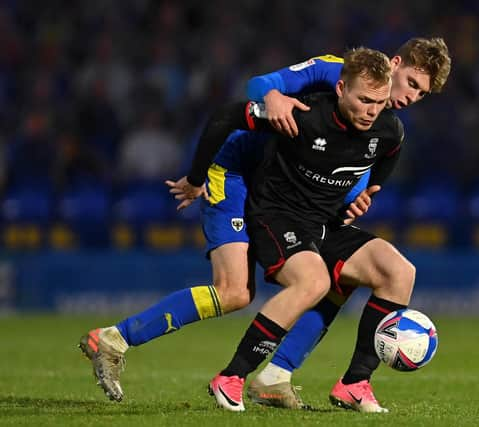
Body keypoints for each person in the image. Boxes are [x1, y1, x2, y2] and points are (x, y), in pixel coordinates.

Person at [78, 38, 451, 409]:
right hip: (239, 172)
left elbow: (355, 162)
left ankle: (284, 377)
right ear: (395, 63)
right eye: (412, 83)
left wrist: (360, 196)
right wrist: (271, 98)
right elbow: (257, 87)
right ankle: (115, 338)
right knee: (235, 292)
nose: (411, 97)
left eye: (422, 94)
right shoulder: (336, 71)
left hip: (294, 192)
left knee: (343, 274)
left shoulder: (382, 124)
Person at [191, 47, 409, 413]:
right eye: (365, 100)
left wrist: (366, 194)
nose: (373, 110)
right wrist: (196, 178)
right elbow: (226, 116)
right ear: (341, 89)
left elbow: (385, 157)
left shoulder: (390, 130)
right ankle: (232, 376)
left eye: (381, 102)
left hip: (325, 223)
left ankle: (355, 384)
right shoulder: (303, 115)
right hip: (278, 217)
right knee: (314, 283)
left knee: (399, 272)